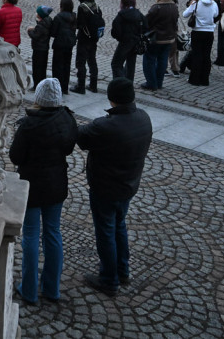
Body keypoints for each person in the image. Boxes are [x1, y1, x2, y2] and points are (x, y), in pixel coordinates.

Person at [77, 78, 153, 297]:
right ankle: (123, 270)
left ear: (111, 99)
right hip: (128, 185)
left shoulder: (106, 126)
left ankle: (109, 279)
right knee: (119, 225)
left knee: (106, 232)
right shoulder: (144, 118)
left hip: (105, 188)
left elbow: (81, 136)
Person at [9, 78, 77, 305]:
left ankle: (28, 290)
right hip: (56, 184)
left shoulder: (29, 125)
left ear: (38, 99)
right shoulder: (67, 118)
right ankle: (52, 289)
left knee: (30, 236)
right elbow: (68, 148)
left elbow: (15, 156)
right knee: (53, 233)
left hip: (32, 186)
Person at [181, 0, 219, 86]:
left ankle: (194, 79)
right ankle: (204, 79)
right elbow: (216, 15)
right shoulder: (214, 4)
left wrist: (191, 6)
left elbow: (185, 14)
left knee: (197, 55)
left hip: (198, 31)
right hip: (209, 32)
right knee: (206, 56)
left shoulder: (196, 3)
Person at [142, 0, 178, 91]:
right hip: (169, 39)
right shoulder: (174, 7)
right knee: (162, 61)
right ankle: (159, 82)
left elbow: (147, 21)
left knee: (149, 60)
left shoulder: (157, 7)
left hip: (156, 39)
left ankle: (151, 83)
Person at [72, 0, 103, 94]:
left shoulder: (82, 7)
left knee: (81, 62)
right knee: (92, 61)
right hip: (94, 38)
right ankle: (93, 85)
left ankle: (81, 86)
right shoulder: (96, 6)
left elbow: (80, 24)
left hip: (84, 37)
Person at [110, 0, 146, 81]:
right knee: (131, 65)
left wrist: (121, 38)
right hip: (135, 42)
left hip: (124, 42)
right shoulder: (139, 14)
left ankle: (120, 84)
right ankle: (129, 84)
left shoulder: (121, 15)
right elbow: (145, 27)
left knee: (116, 64)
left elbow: (115, 32)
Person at [49, 0, 77, 94]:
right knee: (66, 66)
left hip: (59, 45)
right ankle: (65, 87)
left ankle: (56, 87)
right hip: (69, 45)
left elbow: (53, 32)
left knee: (57, 67)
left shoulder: (58, 17)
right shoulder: (73, 17)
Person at [28, 6, 53, 87]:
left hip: (38, 49)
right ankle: (42, 84)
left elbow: (35, 35)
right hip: (44, 48)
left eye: (37, 13)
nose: (36, 14)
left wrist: (29, 31)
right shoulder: (48, 21)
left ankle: (36, 85)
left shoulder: (41, 26)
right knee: (42, 68)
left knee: (36, 68)